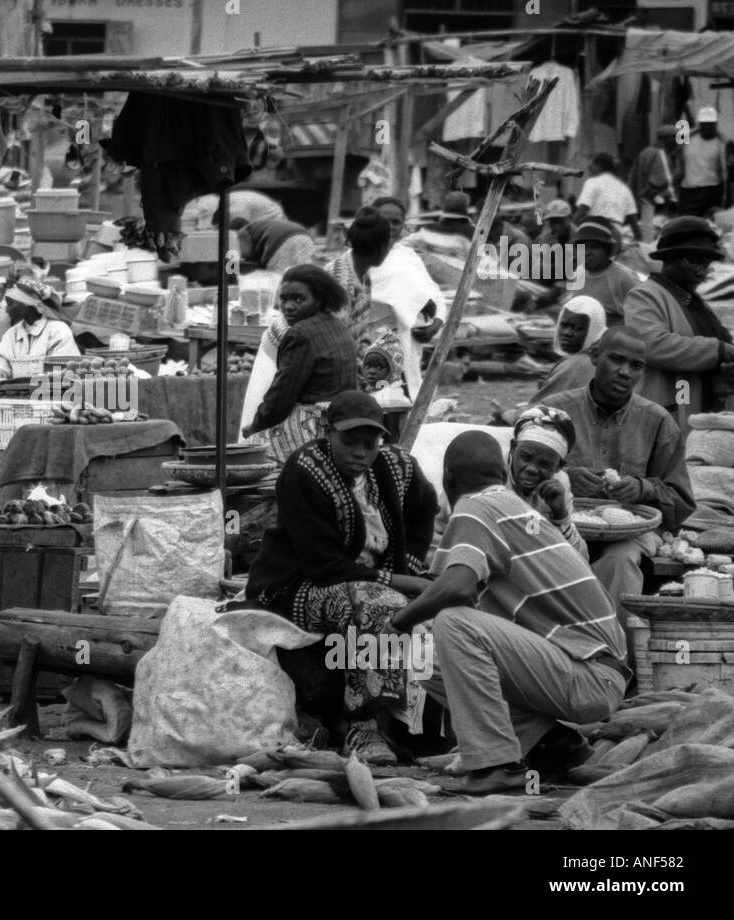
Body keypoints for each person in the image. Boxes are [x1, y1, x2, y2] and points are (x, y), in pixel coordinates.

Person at [389, 431, 629, 793]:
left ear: (449, 478)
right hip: (587, 672)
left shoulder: (478, 506)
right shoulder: (513, 507)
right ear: (504, 470)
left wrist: (397, 622)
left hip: (591, 677)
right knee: (425, 655)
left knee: (452, 623)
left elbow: (458, 587)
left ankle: (497, 764)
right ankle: (549, 744)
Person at [240, 391, 439, 763]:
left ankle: (421, 726)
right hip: (299, 585)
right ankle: (363, 727)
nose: (360, 452)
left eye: (370, 443)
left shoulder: (396, 466)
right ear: (326, 431)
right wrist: (404, 582)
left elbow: (425, 506)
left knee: (442, 604)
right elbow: (324, 565)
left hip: (371, 578)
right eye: (349, 441)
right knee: (378, 605)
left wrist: (410, 566)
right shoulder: (304, 471)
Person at [543, 326, 695, 609]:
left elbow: (681, 502)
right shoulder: (554, 412)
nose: (625, 372)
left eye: (635, 366)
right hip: (559, 523)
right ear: (594, 356)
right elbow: (519, 478)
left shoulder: (658, 421)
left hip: (631, 534)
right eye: (616, 359)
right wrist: (564, 478)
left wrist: (643, 488)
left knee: (620, 559)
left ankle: (612, 647)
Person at [624, 216, 734, 432]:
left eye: (706, 264)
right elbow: (653, 345)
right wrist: (720, 350)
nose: (702, 270)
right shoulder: (644, 295)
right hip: (671, 408)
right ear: (670, 258)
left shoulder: (694, 302)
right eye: (694, 261)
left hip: (700, 410)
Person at [241, 265, 357, 464]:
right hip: (341, 421)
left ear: (319, 299)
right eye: (284, 299)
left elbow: (280, 398)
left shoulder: (300, 334)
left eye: (298, 299)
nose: (288, 307)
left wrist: (254, 427)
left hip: (313, 427)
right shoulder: (337, 326)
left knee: (244, 455)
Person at [327, 207, 441, 399]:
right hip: (332, 368)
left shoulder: (361, 273)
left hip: (350, 362)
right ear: (381, 248)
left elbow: (358, 335)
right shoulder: (342, 280)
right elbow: (338, 345)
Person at [507, 405, 588, 560]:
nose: (531, 469)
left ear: (559, 467)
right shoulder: (490, 474)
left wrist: (560, 515)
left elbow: (581, 559)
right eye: (526, 457)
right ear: (513, 448)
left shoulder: (559, 484)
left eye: (544, 464)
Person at [0, 276, 78, 381]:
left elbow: (63, 368)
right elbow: (2, 360)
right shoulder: (12, 334)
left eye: (10, 304)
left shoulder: (58, 330)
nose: (6, 309)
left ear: (26, 304)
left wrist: (40, 378)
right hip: (21, 391)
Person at [530, 295, 607, 405]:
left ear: (593, 329)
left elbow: (538, 411)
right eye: (563, 325)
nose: (567, 333)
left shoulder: (580, 363)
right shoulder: (605, 352)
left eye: (577, 328)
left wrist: (505, 413)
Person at [570, 219, 639, 327]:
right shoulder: (579, 272)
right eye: (582, 247)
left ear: (607, 250)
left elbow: (640, 318)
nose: (586, 253)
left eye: (594, 247)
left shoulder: (624, 278)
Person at [573, 154, 642, 242]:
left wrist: (570, 226)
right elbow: (634, 223)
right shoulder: (624, 188)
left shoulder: (592, 182)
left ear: (600, 166)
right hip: (616, 236)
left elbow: (582, 211)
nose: (589, 170)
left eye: (591, 167)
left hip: (594, 232)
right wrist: (640, 242)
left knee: (574, 252)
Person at [629, 125, 678, 242]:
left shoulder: (645, 152)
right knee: (657, 240)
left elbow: (632, 178)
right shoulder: (660, 153)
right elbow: (666, 181)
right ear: (665, 139)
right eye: (675, 138)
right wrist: (674, 201)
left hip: (642, 204)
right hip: (656, 207)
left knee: (645, 240)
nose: (677, 142)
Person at [676, 107, 727, 217]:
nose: (707, 126)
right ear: (699, 124)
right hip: (689, 191)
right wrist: (696, 130)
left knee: (713, 224)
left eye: (711, 123)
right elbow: (676, 142)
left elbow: (729, 143)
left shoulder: (720, 142)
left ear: (716, 124)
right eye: (704, 123)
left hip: (712, 189)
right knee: (687, 223)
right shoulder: (687, 138)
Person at [236, 218, 317, 273]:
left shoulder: (241, 232)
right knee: (303, 274)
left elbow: (246, 253)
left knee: (276, 279)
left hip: (283, 240)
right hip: (305, 237)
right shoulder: (262, 224)